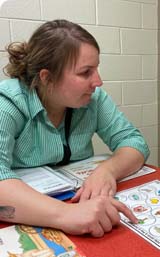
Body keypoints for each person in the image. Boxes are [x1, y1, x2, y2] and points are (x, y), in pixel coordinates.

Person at [0, 19, 146, 237]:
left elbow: (134, 142)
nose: (98, 81)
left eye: (96, 69)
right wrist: (66, 214)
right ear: (47, 77)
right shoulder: (7, 104)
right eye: (86, 72)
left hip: (81, 202)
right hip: (33, 215)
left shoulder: (94, 99)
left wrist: (107, 171)